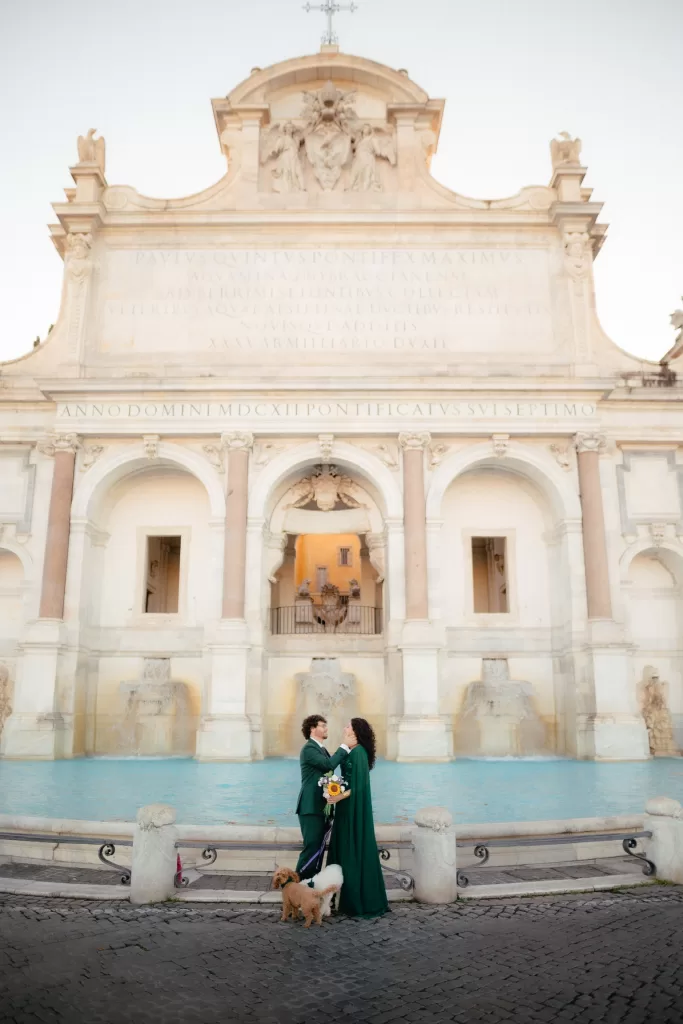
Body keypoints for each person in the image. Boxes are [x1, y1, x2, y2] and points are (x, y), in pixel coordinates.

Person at [327, 717, 389, 918]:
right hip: (346, 807)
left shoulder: (359, 752)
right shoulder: (352, 750)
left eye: (348, 726)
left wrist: (339, 796)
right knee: (345, 846)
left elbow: (359, 786)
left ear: (355, 732)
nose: (344, 727)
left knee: (351, 846)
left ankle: (355, 900)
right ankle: (342, 898)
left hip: (353, 807)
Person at [295, 714, 351, 880]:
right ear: (312, 729)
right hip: (310, 807)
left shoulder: (320, 749)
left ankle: (311, 885)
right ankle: (296, 885)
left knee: (318, 850)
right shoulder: (309, 749)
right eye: (322, 726)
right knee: (312, 849)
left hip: (320, 807)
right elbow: (328, 765)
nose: (326, 728)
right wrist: (344, 746)